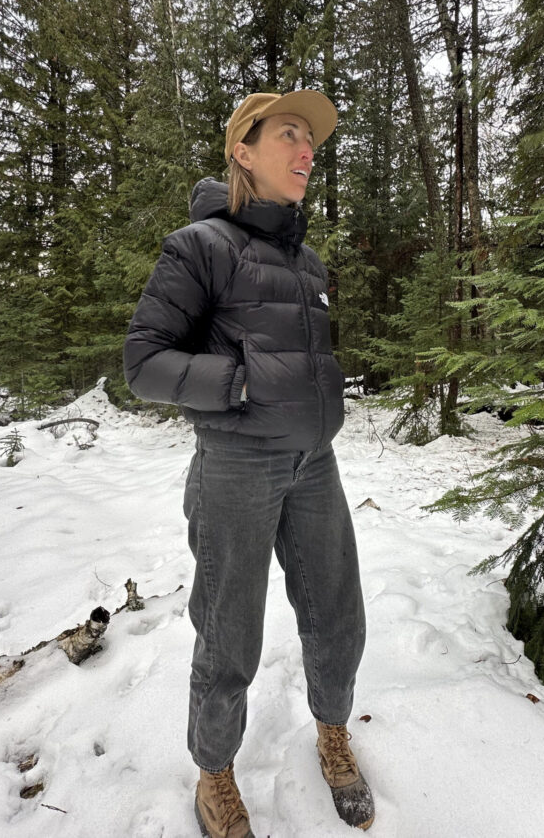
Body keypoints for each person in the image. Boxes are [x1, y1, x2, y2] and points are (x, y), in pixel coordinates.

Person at [123, 91, 372, 838]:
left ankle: (332, 731)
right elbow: (142, 363)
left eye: (312, 142)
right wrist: (233, 384)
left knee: (339, 616)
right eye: (289, 135)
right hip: (236, 466)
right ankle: (215, 775)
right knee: (229, 635)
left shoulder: (307, 260)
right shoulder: (199, 246)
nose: (306, 152)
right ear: (243, 150)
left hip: (314, 464)